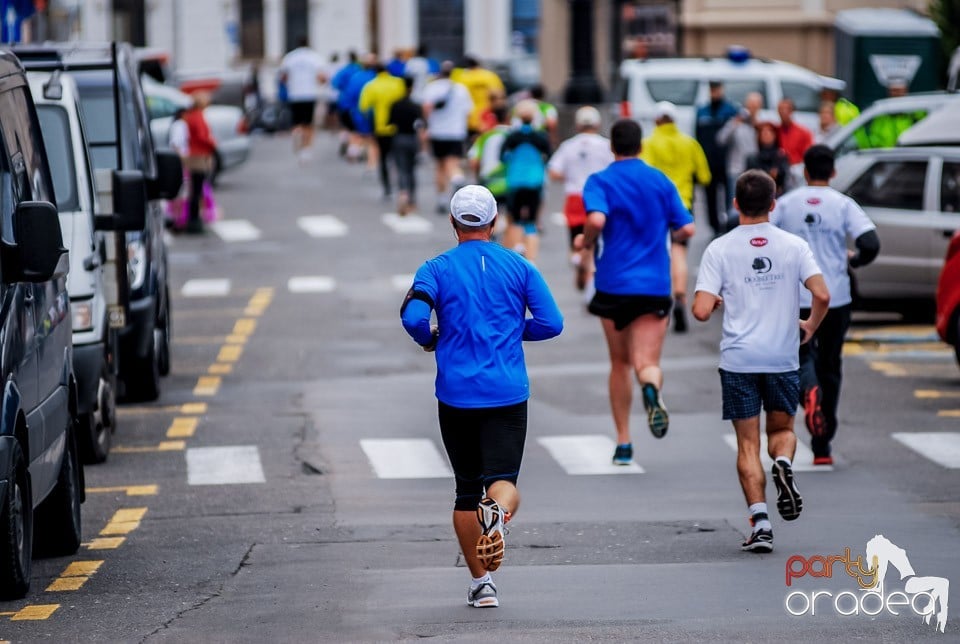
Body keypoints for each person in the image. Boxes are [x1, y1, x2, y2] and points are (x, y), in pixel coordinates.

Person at [400, 184, 563, 608]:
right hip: (507, 391)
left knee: (466, 489)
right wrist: (512, 329)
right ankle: (499, 518)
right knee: (503, 482)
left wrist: (432, 337)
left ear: (453, 224)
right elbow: (552, 322)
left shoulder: (435, 268)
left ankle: (481, 583)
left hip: (455, 394)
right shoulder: (519, 265)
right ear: (494, 222)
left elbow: (414, 316)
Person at [692, 169, 830, 553]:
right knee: (782, 432)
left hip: (739, 360)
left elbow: (700, 311)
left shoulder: (720, 249)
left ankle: (761, 522)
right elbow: (822, 295)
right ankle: (784, 463)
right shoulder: (793, 245)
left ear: (735, 204)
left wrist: (716, 299)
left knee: (747, 444)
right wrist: (809, 328)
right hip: (782, 356)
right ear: (773, 204)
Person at [576, 119, 695, 465]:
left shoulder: (600, 180)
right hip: (655, 285)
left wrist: (587, 240)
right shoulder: (660, 180)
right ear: (641, 146)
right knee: (646, 362)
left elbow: (596, 220)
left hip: (613, 284)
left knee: (619, 363)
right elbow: (687, 226)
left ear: (612, 147)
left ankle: (624, 442)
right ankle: (652, 388)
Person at [771, 145, 880, 465]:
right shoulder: (844, 205)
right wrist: (855, 260)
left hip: (797, 298)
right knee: (831, 365)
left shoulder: (787, 203)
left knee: (800, 357)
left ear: (804, 171)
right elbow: (870, 244)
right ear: (833, 172)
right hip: (835, 297)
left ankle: (808, 391)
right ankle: (822, 446)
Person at [641, 101, 711, 333]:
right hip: (683, 205)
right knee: (679, 252)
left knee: (659, 254)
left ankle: (661, 302)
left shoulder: (649, 143)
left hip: (656, 208)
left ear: (656, 120)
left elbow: (645, 175)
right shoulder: (689, 143)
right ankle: (680, 297)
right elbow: (705, 176)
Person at [547, 105, 613, 291]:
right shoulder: (605, 145)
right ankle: (592, 279)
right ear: (597, 123)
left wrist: (570, 176)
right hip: (599, 199)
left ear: (577, 125)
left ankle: (578, 260)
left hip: (575, 197)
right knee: (596, 242)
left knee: (576, 241)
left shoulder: (568, 146)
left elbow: (553, 172)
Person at [500, 100, 551, 262]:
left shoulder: (512, 137)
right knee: (531, 221)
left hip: (515, 181)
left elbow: (502, 157)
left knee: (514, 219)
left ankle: (515, 256)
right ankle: (531, 259)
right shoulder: (540, 137)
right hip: (535, 181)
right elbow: (549, 157)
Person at [422, 61, 474, 213]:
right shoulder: (461, 89)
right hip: (456, 131)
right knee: (453, 163)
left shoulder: (431, 88)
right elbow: (468, 111)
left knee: (439, 166)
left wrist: (427, 126)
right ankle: (457, 179)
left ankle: (442, 198)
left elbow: (426, 109)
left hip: (437, 132)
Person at [695, 80, 739, 236]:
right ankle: (714, 227)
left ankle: (728, 225)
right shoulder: (702, 111)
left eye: (717, 89)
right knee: (710, 197)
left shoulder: (730, 110)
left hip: (726, 162)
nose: (714, 93)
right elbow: (697, 138)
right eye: (712, 90)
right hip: (708, 162)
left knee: (729, 196)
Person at [359, 63, 406, 200]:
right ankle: (402, 186)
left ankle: (387, 188)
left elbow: (363, 107)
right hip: (398, 126)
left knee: (383, 158)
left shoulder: (371, 85)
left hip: (381, 127)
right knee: (398, 158)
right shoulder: (398, 83)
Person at [278, 37, 325, 161]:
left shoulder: (290, 57)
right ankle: (306, 149)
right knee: (308, 124)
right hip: (309, 94)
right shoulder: (315, 57)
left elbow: (283, 77)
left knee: (296, 121)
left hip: (294, 94)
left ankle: (296, 132)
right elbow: (321, 77)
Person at [716, 91, 763, 213]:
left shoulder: (762, 123)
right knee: (735, 205)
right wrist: (734, 124)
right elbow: (720, 139)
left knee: (754, 203)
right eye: (750, 105)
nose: (752, 108)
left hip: (755, 170)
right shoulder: (736, 121)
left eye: (755, 105)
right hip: (736, 169)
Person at [388, 76, 424, 215]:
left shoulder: (395, 104)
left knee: (401, 169)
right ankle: (412, 199)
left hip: (398, 138)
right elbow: (421, 126)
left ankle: (403, 193)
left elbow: (389, 122)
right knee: (411, 170)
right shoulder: (415, 106)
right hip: (412, 139)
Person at [181, 93, 217, 234]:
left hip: (194, 155)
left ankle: (193, 218)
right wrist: (213, 143)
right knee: (197, 189)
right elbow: (202, 136)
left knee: (195, 189)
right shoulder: (198, 116)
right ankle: (194, 220)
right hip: (199, 156)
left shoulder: (191, 116)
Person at [467, 103, 510, 208]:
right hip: (511, 183)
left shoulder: (485, 137)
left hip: (489, 182)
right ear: (509, 118)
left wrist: (477, 178)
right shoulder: (515, 135)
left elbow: (474, 161)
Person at [452, 56, 505, 136]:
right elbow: (499, 95)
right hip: (487, 118)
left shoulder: (461, 78)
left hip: (468, 118)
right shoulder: (490, 76)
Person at [746, 121, 790, 196]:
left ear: (775, 135)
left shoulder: (781, 155)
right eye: (763, 132)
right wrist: (768, 174)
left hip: (778, 193)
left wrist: (777, 174)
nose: (766, 134)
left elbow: (784, 175)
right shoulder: (752, 157)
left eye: (769, 131)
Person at [777, 98, 814, 166]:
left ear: (792, 111)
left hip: (798, 168)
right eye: (780, 109)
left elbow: (809, 155)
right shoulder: (775, 131)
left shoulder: (804, 133)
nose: (783, 112)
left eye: (787, 109)